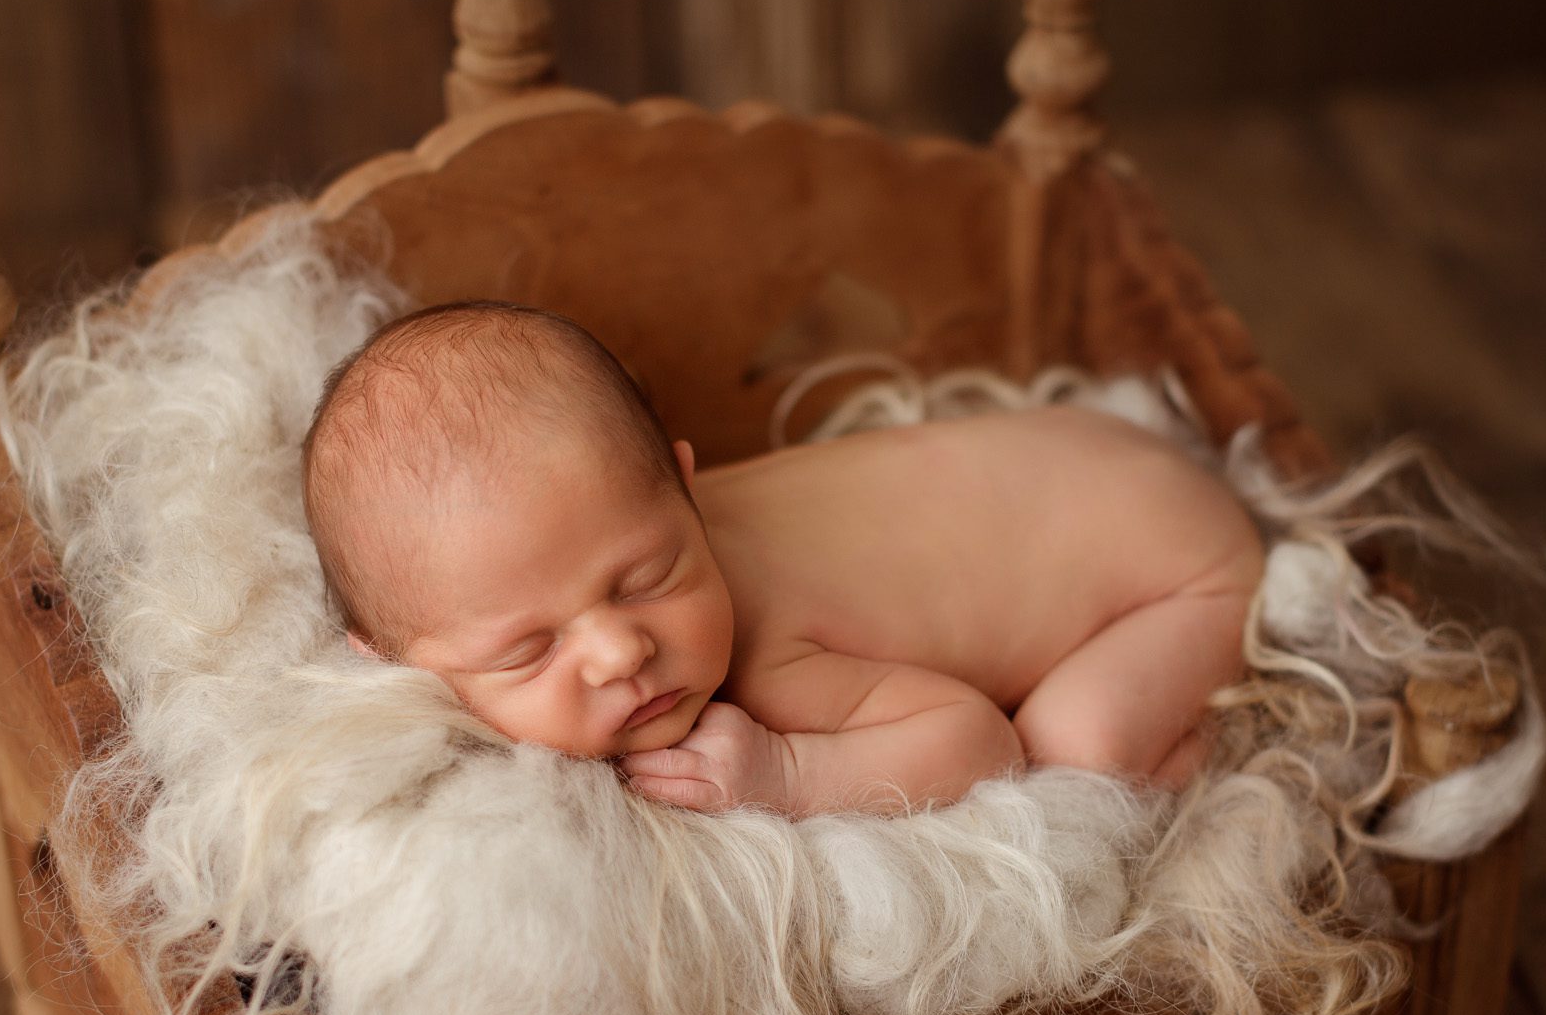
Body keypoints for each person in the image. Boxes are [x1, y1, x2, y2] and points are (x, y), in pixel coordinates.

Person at [302, 300, 1262, 816]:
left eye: (646, 577)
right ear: (386, 661)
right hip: (1090, 453)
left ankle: (1220, 742)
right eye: (525, 651)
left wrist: (788, 776)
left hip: (1183, 569)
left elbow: (981, 743)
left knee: (1071, 751)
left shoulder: (765, 656)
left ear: (683, 485)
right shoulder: (602, 523)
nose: (620, 654)